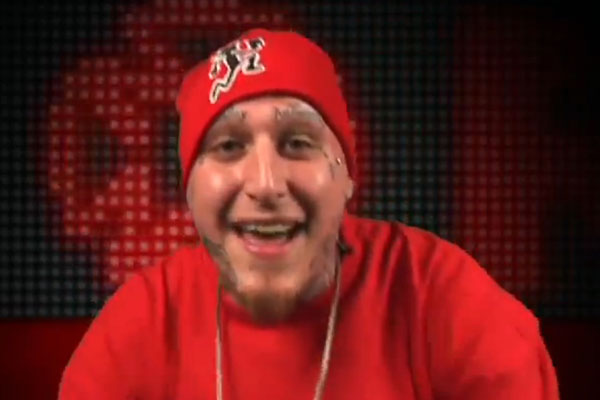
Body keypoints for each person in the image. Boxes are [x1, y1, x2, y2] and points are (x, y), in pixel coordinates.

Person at [58, 28, 559, 400]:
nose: (266, 184)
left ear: (347, 177)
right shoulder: (140, 324)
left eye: (298, 142)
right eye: (228, 146)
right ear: (189, 189)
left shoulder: (439, 295)